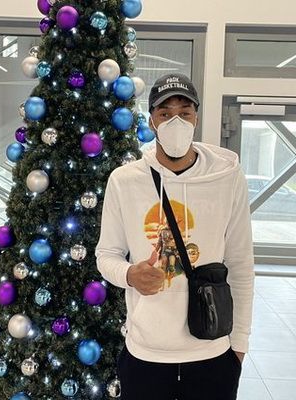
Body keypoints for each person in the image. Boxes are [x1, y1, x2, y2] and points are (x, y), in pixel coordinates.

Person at [96, 73, 254, 400]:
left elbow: (241, 263)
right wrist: (130, 274)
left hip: (212, 352)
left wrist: (238, 345)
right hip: (145, 354)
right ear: (152, 120)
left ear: (196, 117)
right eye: (165, 113)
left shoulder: (226, 178)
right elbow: (106, 254)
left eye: (185, 112)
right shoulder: (124, 181)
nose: (175, 121)